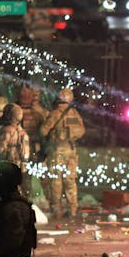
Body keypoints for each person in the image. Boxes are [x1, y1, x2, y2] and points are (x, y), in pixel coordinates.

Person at [40, 88, 85, 218]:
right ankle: (72, 209)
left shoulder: (55, 114)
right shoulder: (74, 114)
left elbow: (43, 131)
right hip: (71, 150)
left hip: (57, 151)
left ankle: (57, 209)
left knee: (56, 181)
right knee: (70, 180)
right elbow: (81, 131)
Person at [0, 103, 30, 174]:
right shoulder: (22, 132)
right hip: (18, 166)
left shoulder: (6, 131)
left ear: (9, 116)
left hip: (5, 165)